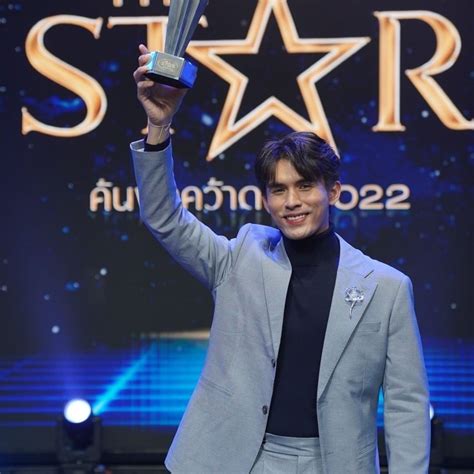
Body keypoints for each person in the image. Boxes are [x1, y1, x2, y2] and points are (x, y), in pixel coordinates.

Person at [131, 44, 430, 474]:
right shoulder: (240, 257)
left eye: (305, 186)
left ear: (333, 192)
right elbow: (163, 218)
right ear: (266, 199)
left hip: (334, 463)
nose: (292, 201)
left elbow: (406, 404)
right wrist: (158, 128)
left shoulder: (387, 288)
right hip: (236, 459)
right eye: (278, 189)